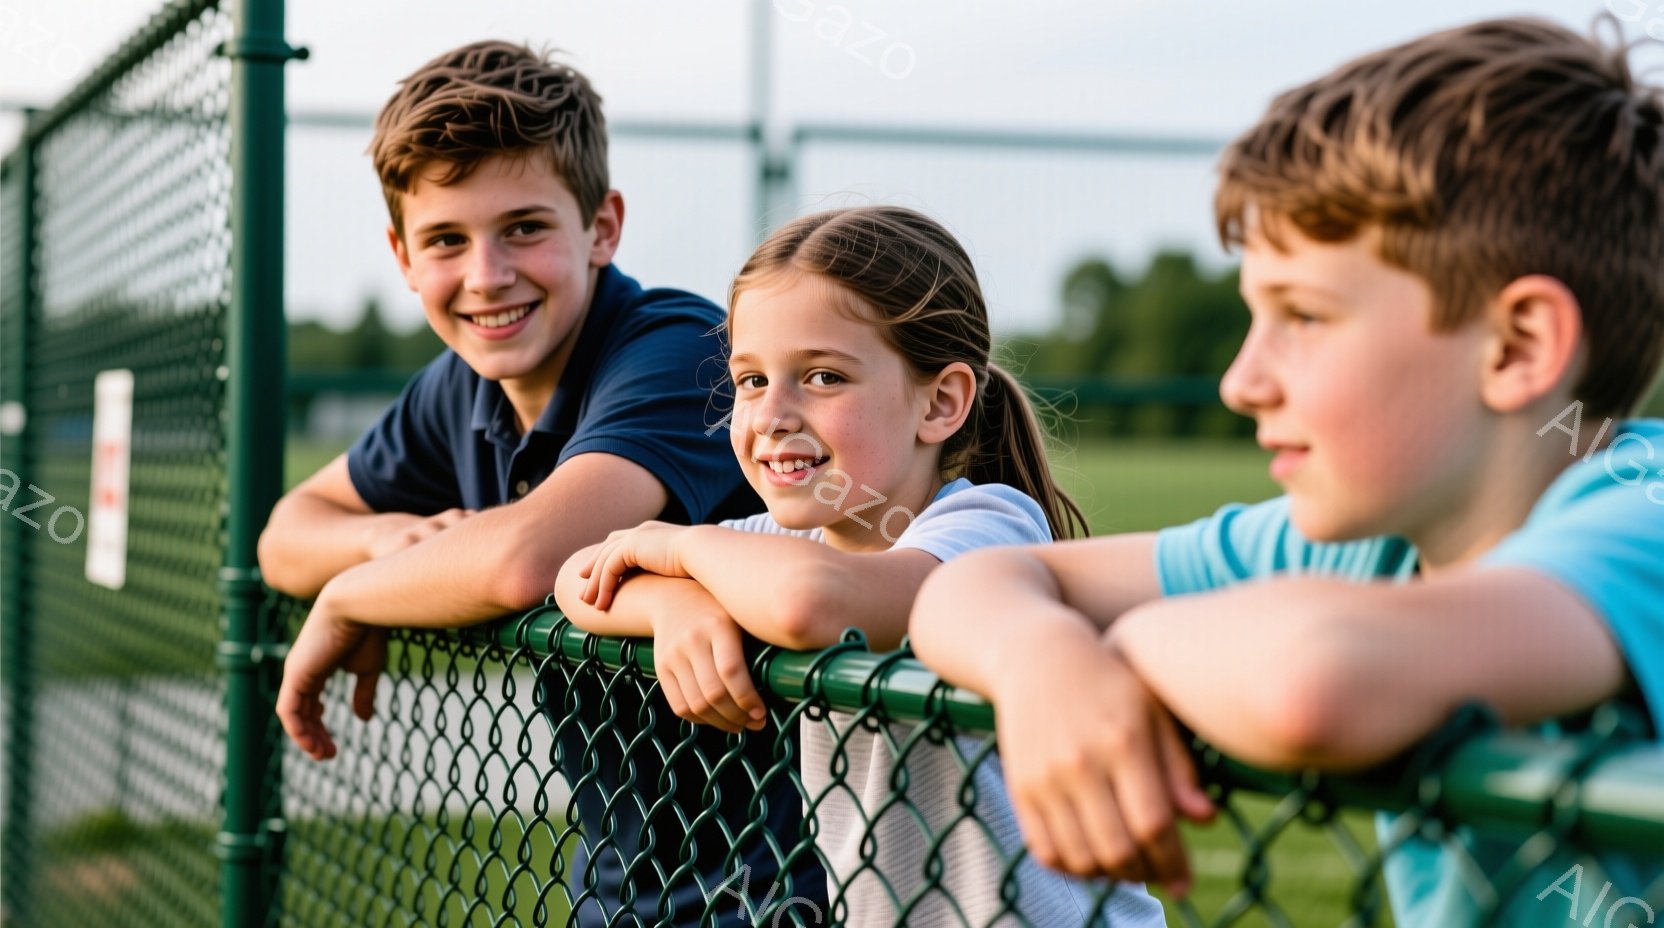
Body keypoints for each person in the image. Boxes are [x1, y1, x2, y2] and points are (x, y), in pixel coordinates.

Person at [908, 16, 1664, 926]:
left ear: (1517, 347)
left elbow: (1315, 683)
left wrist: (1122, 647)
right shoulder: (1384, 540)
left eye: (1302, 316)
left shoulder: (1642, 518)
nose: (1241, 381)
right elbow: (975, 581)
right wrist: (1040, 656)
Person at [257, 41, 823, 926]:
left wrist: (347, 595)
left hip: (787, 880)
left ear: (602, 227)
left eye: (524, 228)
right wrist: (377, 540)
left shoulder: (680, 350)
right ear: (403, 257)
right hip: (622, 880)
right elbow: (286, 532)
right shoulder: (459, 387)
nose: (487, 276)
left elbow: (521, 560)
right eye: (446, 240)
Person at [555, 206, 1167, 926]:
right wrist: (673, 603)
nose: (771, 414)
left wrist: (677, 546)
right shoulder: (784, 541)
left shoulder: (986, 529)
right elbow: (577, 577)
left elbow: (809, 604)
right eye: (750, 380)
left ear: (940, 403)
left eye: (822, 377)